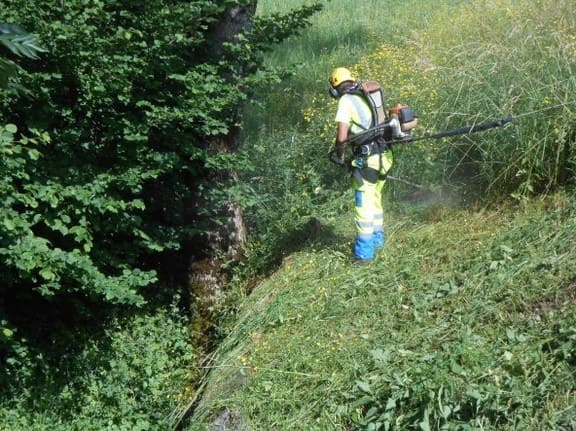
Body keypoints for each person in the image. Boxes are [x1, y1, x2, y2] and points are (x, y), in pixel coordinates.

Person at [328, 67, 405, 262]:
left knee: (363, 207)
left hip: (368, 160)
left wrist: (339, 155)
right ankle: (378, 241)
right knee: (375, 200)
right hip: (384, 156)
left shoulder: (346, 100)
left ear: (335, 89)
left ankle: (364, 255)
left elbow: (342, 135)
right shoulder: (364, 95)